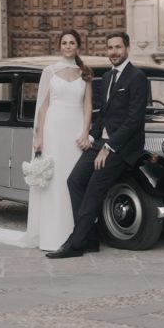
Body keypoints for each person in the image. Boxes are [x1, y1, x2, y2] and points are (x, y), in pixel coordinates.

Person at [47, 31, 149, 259]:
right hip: (101, 142)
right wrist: (92, 138)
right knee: (74, 181)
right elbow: (102, 115)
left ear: (127, 48)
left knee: (94, 187)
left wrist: (108, 147)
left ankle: (75, 243)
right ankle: (90, 239)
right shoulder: (109, 77)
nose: (113, 52)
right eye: (110, 48)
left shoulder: (137, 77)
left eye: (118, 48)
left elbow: (134, 121)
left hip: (122, 148)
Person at [24, 30, 93, 251]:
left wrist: (85, 132)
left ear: (78, 46)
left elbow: (88, 106)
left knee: (73, 179)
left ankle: (76, 233)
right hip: (53, 128)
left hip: (75, 130)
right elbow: (43, 107)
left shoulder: (85, 73)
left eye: (72, 42)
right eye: (64, 42)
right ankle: (52, 235)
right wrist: (39, 136)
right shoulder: (50, 71)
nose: (68, 45)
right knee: (54, 180)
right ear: (59, 46)